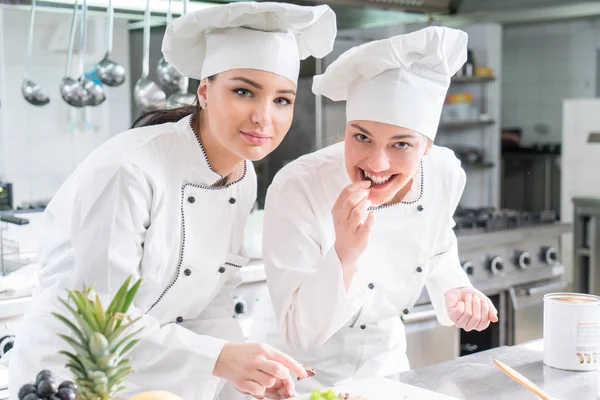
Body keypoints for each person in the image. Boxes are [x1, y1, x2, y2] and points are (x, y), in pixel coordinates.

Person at [8, 2, 337, 399]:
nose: (263, 117)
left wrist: (247, 380)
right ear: (204, 90)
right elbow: (102, 320)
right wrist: (221, 359)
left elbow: (212, 307)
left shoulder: (242, 175)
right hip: (73, 377)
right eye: (243, 92)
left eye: (281, 99)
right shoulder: (131, 169)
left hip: (160, 381)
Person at [262, 26, 499, 392]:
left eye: (401, 144)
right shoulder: (299, 184)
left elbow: (437, 240)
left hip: (386, 369)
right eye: (361, 137)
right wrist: (345, 253)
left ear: (426, 148)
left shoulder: (444, 171)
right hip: (298, 375)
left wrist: (454, 287)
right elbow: (300, 332)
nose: (377, 162)